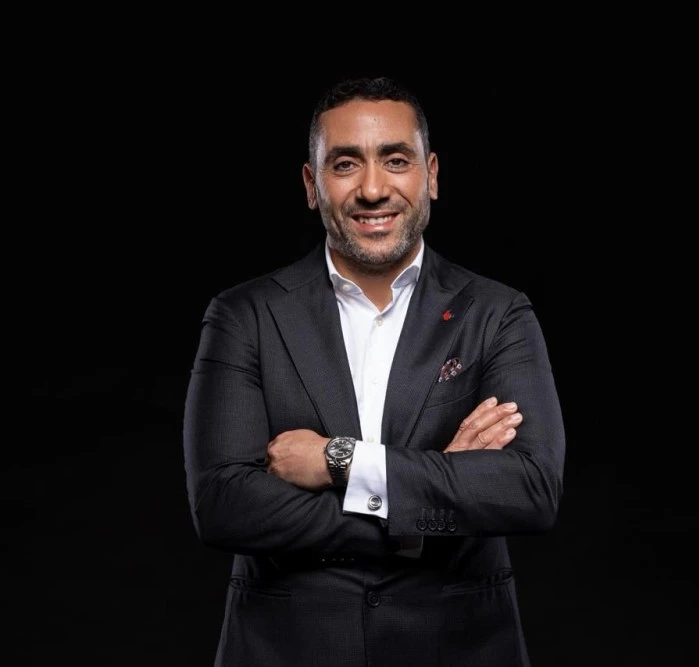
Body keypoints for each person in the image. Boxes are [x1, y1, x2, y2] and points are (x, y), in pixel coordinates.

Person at [182, 75, 566, 666]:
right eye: (344, 164)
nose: (372, 188)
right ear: (311, 185)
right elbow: (224, 506)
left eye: (395, 160)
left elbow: (529, 490)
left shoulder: (497, 313)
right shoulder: (244, 316)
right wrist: (427, 505)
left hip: (458, 649)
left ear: (431, 175)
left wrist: (341, 461)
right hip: (288, 650)